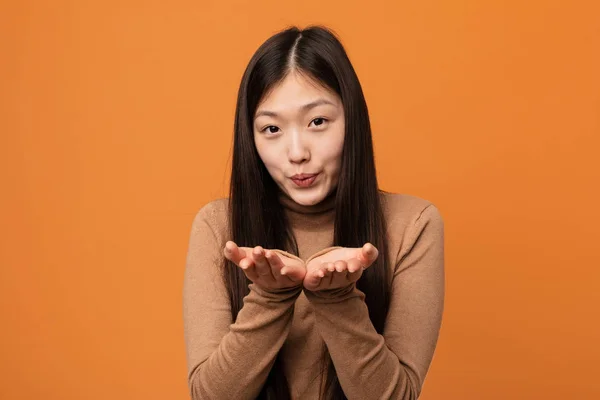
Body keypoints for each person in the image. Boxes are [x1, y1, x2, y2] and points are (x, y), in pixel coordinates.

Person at [182, 25, 445, 400]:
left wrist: (338, 299)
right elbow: (209, 396)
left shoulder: (413, 224)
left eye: (317, 122)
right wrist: (270, 297)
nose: (296, 153)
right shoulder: (217, 226)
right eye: (271, 128)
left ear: (352, 119)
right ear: (250, 137)